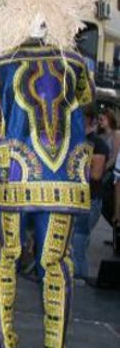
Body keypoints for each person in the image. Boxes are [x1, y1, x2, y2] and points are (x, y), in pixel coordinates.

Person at [0, 0, 100, 348]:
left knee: (4, 258)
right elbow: (88, 107)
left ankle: (4, 341)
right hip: (65, 182)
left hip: (14, 179)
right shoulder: (77, 65)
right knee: (56, 264)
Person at [71, 108, 108, 280]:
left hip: (89, 200)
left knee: (78, 243)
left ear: (88, 120)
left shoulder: (98, 144)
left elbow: (96, 174)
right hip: (75, 199)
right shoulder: (74, 139)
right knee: (73, 243)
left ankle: (79, 278)